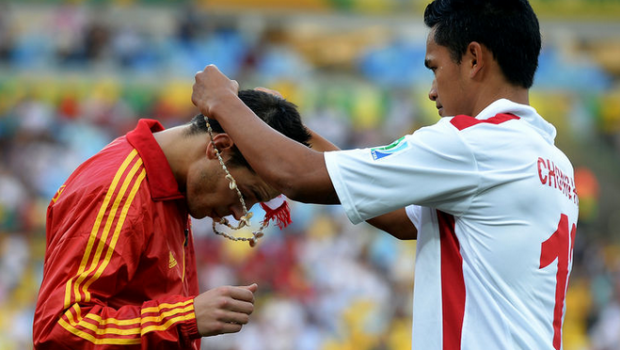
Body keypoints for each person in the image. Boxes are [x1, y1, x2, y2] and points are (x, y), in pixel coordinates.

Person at [190, 0, 580, 349]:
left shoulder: (472, 143)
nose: (431, 91)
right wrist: (300, 131)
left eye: (435, 68)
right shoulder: (553, 162)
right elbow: (401, 219)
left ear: (474, 59)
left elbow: (297, 177)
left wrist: (223, 101)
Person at [33, 90, 312, 349]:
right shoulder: (120, 192)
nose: (241, 214)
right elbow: (59, 327)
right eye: (247, 194)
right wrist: (184, 318)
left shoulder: (170, 187)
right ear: (218, 148)